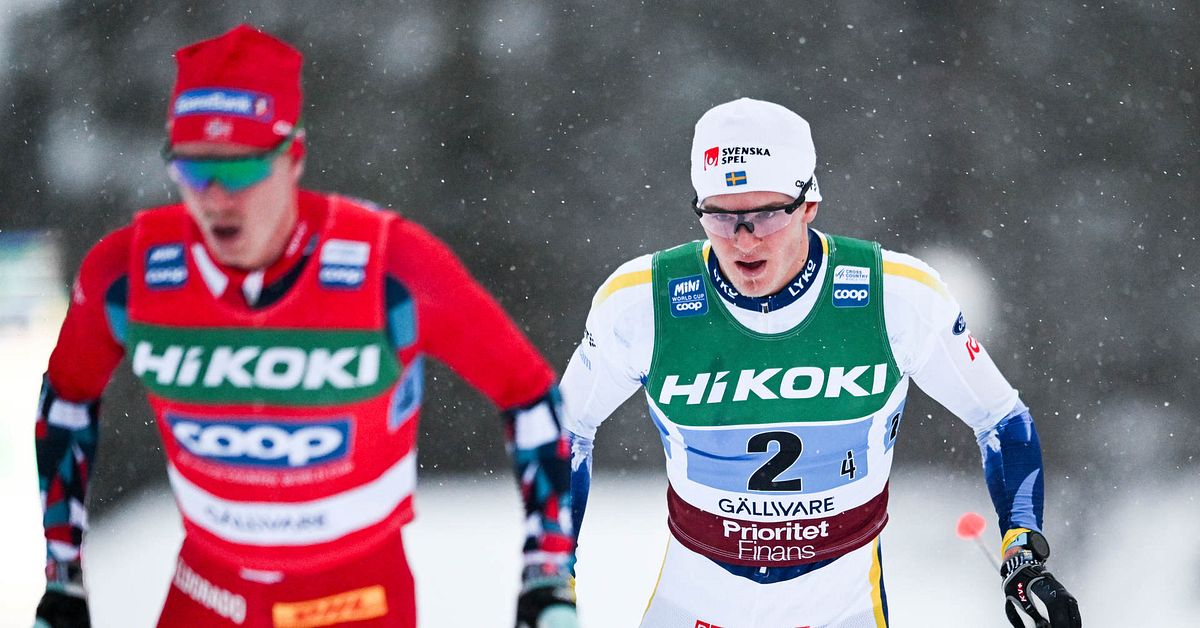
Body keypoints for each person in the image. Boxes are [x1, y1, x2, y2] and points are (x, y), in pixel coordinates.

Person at [33, 24, 577, 628]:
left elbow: (527, 393)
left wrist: (545, 574)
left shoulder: (391, 264)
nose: (215, 198)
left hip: (354, 597)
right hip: (209, 592)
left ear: (293, 157)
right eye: (193, 170)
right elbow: (68, 399)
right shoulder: (128, 272)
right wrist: (63, 577)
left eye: (240, 171)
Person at [560, 98, 1082, 627]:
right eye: (720, 216)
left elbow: (999, 418)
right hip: (696, 603)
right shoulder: (641, 302)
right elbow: (567, 429)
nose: (743, 239)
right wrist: (555, 570)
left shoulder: (897, 295)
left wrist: (1022, 547)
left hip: (841, 607)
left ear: (808, 203)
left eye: (765, 215)